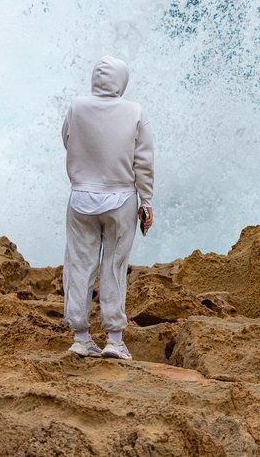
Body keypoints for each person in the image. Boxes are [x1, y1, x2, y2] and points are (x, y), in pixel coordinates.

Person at [61, 56, 155, 361]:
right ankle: (114, 340)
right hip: (121, 199)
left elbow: (67, 139)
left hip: (81, 198)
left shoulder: (77, 106)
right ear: (121, 81)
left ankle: (81, 337)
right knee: (114, 267)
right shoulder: (135, 111)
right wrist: (147, 201)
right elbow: (143, 161)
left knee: (80, 264)